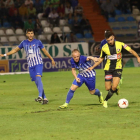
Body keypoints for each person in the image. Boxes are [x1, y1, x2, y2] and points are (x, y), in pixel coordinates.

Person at [0, 28, 55, 104]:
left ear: (33, 34)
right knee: (37, 82)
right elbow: (15, 50)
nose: (30, 35)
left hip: (38, 63)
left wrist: (51, 59)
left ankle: (40, 96)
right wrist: (5, 54)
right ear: (26, 34)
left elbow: (45, 51)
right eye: (29, 33)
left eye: (31, 33)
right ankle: (44, 98)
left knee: (38, 78)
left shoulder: (38, 42)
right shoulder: (24, 42)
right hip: (30, 65)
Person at [87, 30, 140, 108]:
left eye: (111, 39)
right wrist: (93, 67)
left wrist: (138, 57)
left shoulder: (120, 44)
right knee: (108, 88)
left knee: (113, 87)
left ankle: (105, 100)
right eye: (108, 40)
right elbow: (101, 59)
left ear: (113, 37)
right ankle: (116, 87)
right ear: (106, 40)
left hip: (118, 68)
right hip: (108, 69)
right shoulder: (104, 48)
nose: (110, 42)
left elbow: (131, 50)